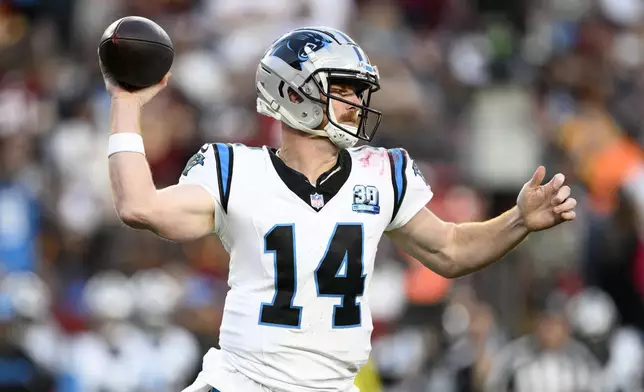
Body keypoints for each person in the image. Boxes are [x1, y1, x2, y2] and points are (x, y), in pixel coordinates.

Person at [101, 27, 577, 392]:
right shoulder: (234, 170)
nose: (355, 104)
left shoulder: (383, 172)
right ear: (293, 93)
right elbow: (140, 207)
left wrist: (518, 221)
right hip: (245, 383)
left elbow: (450, 249)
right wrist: (126, 101)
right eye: (343, 89)